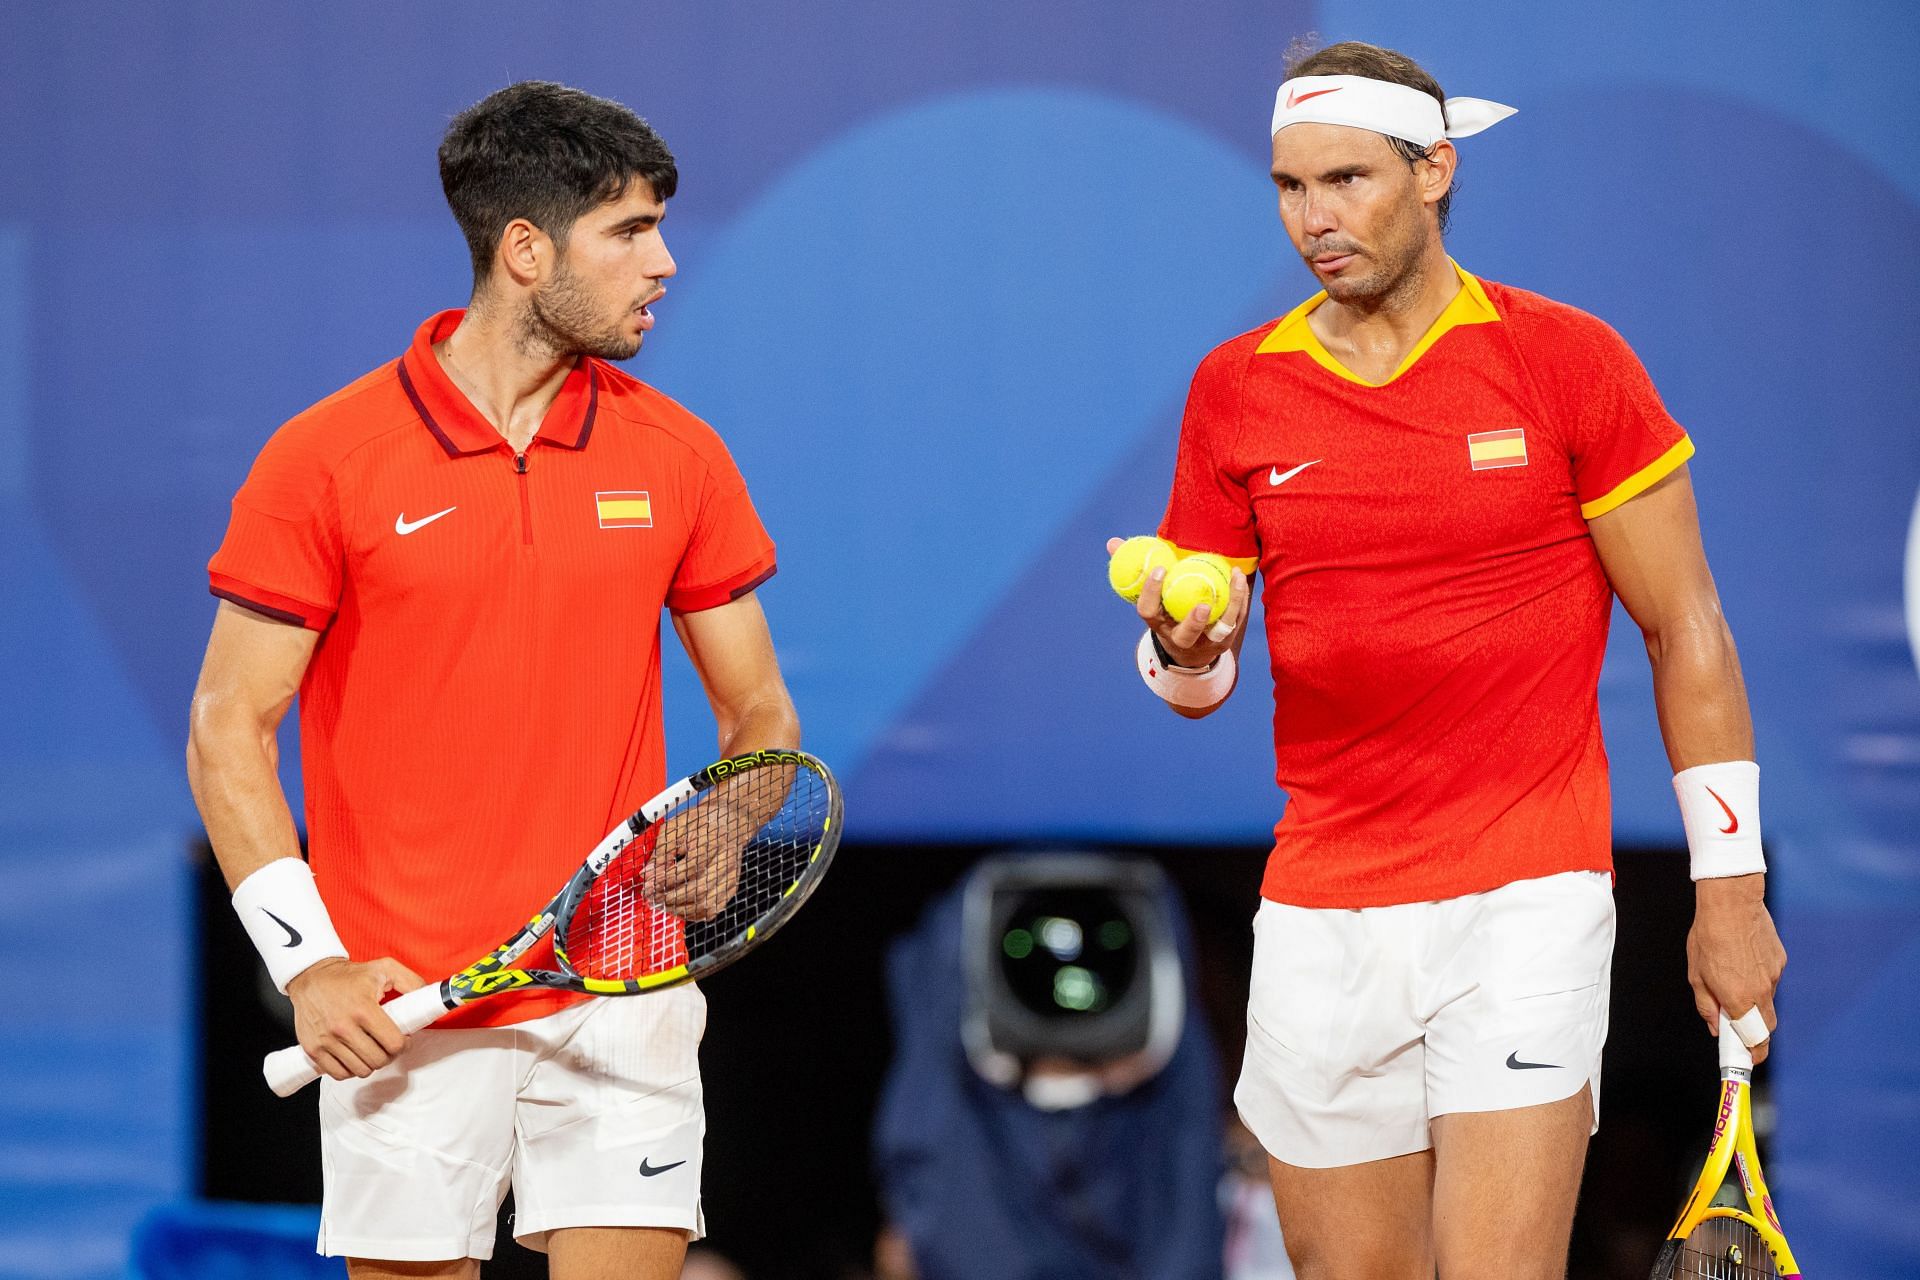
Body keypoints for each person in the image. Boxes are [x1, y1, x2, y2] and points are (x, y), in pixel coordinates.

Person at [1111, 39, 1787, 1280]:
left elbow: (1686, 626)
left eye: (1349, 179)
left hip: (1526, 900)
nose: (1315, 219)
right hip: (1324, 908)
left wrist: (1729, 889)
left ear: (1435, 172)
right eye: (1289, 185)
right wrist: (1177, 641)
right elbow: (1196, 680)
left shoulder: (1568, 360)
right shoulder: (1237, 389)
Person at [186, 81, 798, 1280]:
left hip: (623, 987)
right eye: (629, 231)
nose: (664, 262)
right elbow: (226, 727)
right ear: (525, 250)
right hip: (406, 1005)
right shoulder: (325, 459)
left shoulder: (679, 453)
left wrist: (732, 807)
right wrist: (309, 962)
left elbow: (761, 711)